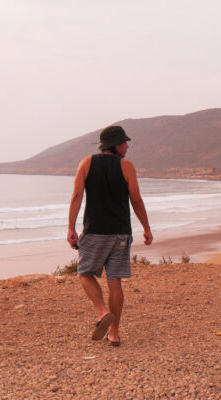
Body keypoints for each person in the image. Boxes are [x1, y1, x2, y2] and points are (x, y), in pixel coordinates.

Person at [67, 125, 153, 346]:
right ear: (115, 145)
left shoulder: (86, 163)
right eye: (124, 142)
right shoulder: (127, 167)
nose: (127, 146)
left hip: (95, 231)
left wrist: (71, 228)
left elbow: (77, 195)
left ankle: (102, 310)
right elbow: (136, 199)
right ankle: (113, 333)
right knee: (115, 281)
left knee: (85, 273)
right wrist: (146, 227)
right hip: (120, 234)